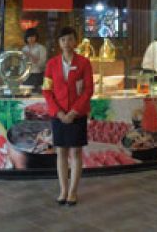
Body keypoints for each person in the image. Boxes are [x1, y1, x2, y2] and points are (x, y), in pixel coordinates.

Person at [42, 27, 94, 206]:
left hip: (77, 114)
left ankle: (73, 191)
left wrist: (73, 112)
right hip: (58, 114)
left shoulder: (84, 63)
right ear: (59, 43)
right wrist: (59, 113)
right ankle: (63, 190)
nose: (66, 43)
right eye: (63, 39)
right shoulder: (52, 64)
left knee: (76, 152)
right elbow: (47, 90)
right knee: (61, 152)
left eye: (70, 39)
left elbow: (88, 90)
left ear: (75, 41)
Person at [21, 27, 47, 92]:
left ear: (36, 37)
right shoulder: (24, 49)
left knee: (36, 94)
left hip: (36, 75)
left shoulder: (41, 48)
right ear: (26, 38)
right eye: (29, 37)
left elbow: (42, 64)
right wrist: (21, 76)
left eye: (33, 36)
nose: (31, 39)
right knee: (25, 93)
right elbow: (22, 64)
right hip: (25, 76)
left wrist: (30, 55)